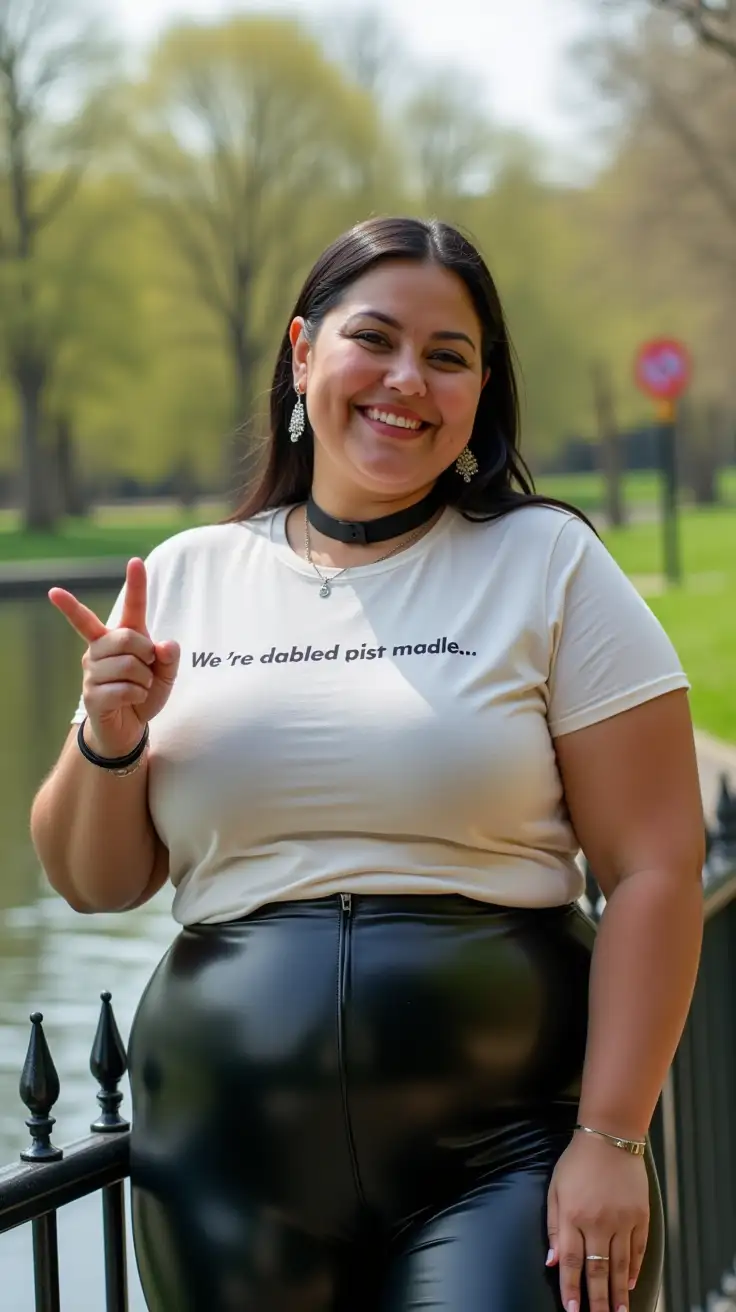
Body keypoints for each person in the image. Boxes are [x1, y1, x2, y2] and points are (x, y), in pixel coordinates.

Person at [30, 216, 705, 1312]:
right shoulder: (188, 575)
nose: (407, 380)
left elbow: (658, 869)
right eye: (373, 339)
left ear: (481, 390)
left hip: (504, 1155)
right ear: (302, 353)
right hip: (227, 1163)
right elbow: (93, 881)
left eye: (448, 356)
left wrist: (612, 1138)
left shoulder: (546, 562)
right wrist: (110, 739)